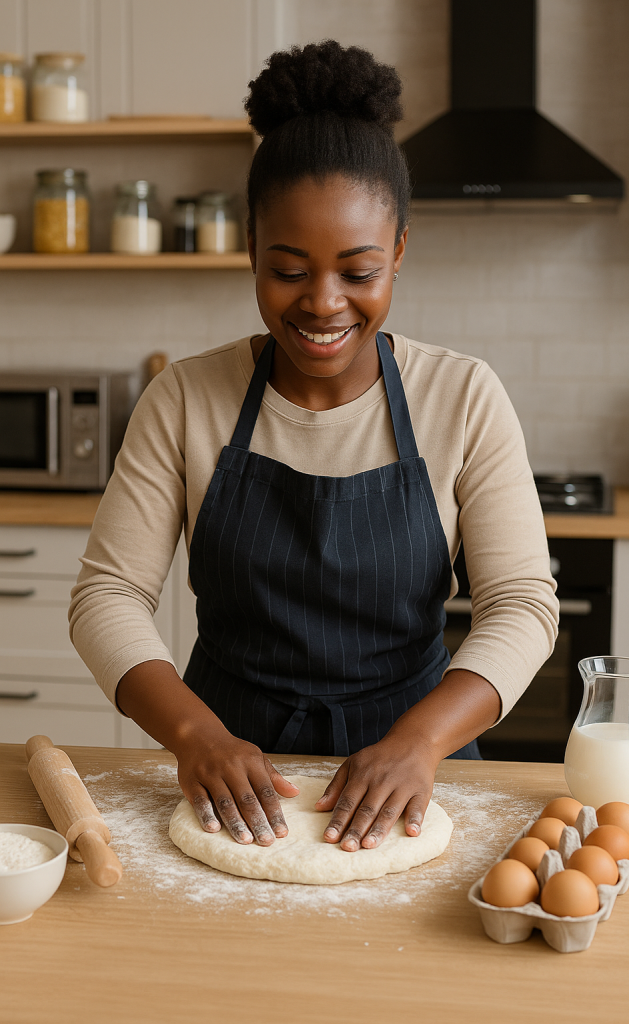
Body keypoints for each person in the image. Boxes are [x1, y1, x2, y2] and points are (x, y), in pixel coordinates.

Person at [69, 40, 558, 855]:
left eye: (357, 271)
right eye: (287, 270)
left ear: (398, 251)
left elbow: (521, 604)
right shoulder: (186, 398)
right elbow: (107, 597)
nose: (322, 304)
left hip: (417, 761)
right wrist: (194, 735)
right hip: (228, 768)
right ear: (250, 252)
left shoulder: (462, 396)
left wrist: (421, 740)